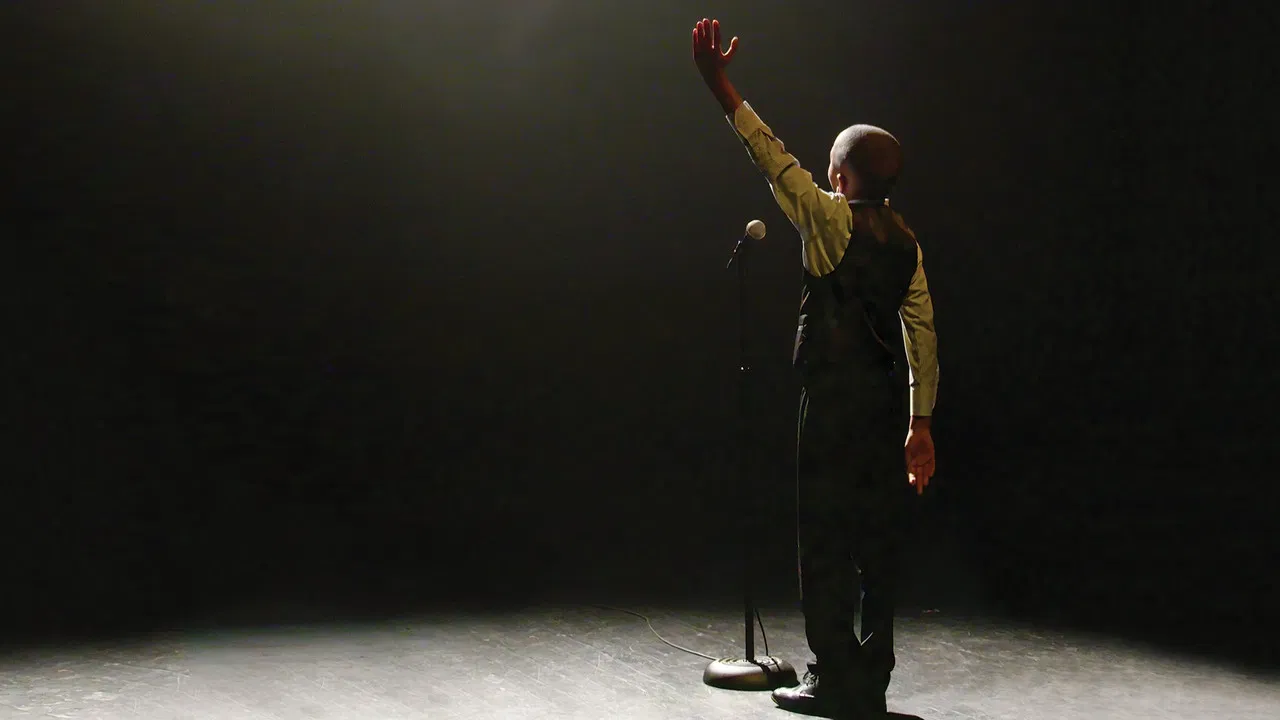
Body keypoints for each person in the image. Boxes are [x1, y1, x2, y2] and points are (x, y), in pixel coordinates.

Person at [692, 18, 940, 719]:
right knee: (876, 541)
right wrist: (921, 425)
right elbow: (922, 336)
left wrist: (720, 86)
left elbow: (770, 156)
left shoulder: (828, 218)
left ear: (838, 176)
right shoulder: (909, 245)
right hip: (885, 404)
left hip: (831, 403)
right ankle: (872, 679)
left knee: (825, 539)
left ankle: (833, 681)